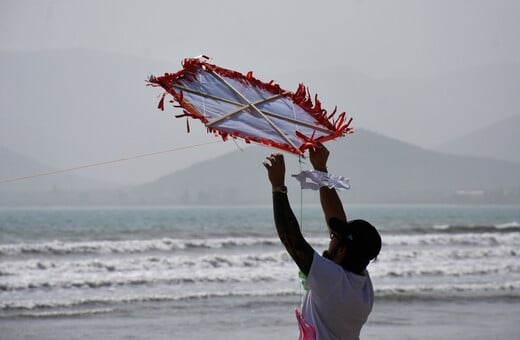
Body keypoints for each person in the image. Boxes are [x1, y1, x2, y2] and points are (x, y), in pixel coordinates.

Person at [263, 143, 381, 340]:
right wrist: (320, 170)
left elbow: (291, 238)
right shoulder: (362, 285)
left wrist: (278, 188)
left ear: (343, 250)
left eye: (334, 237)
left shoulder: (332, 281)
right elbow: (337, 220)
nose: (330, 237)